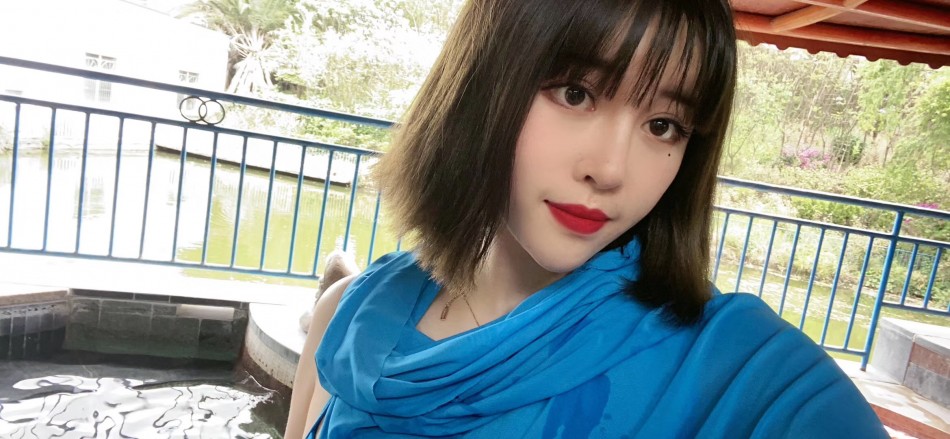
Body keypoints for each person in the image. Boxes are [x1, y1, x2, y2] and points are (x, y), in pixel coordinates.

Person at [285, 0, 889, 437]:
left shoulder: (738, 372)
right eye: (575, 93)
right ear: (479, 84)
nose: (611, 169)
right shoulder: (348, 313)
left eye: (664, 126)